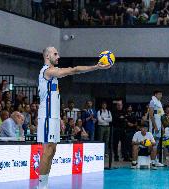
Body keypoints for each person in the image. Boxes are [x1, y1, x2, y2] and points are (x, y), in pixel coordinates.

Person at [37, 46, 110, 189]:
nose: (58, 56)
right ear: (47, 56)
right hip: (46, 115)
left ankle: (44, 184)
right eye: (55, 54)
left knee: (52, 150)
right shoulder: (48, 71)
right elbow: (73, 70)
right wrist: (96, 67)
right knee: (47, 150)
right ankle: (41, 186)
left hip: (54, 116)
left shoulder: (51, 73)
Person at [149, 90, 165, 167]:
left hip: (158, 125)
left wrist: (161, 127)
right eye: (159, 94)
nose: (160, 95)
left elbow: (161, 116)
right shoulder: (152, 102)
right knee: (153, 143)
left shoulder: (160, 103)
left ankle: (155, 160)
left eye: (161, 94)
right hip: (153, 126)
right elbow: (151, 115)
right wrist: (154, 126)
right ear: (155, 94)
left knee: (157, 143)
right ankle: (151, 161)